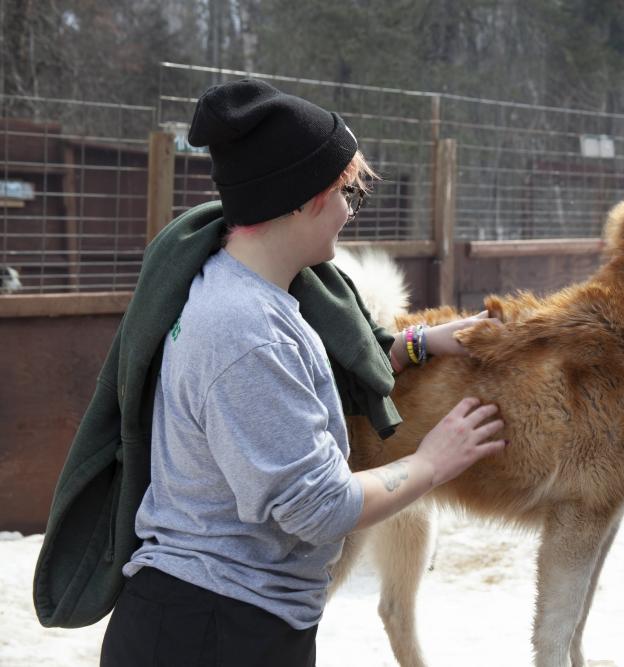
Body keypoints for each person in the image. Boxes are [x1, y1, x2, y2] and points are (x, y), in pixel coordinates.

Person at [97, 79, 506, 666]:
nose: (348, 213)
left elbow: (312, 370)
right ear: (300, 198)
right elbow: (319, 509)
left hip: (226, 615)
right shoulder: (245, 332)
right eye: (346, 195)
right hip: (213, 632)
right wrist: (434, 460)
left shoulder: (249, 287)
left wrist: (416, 345)